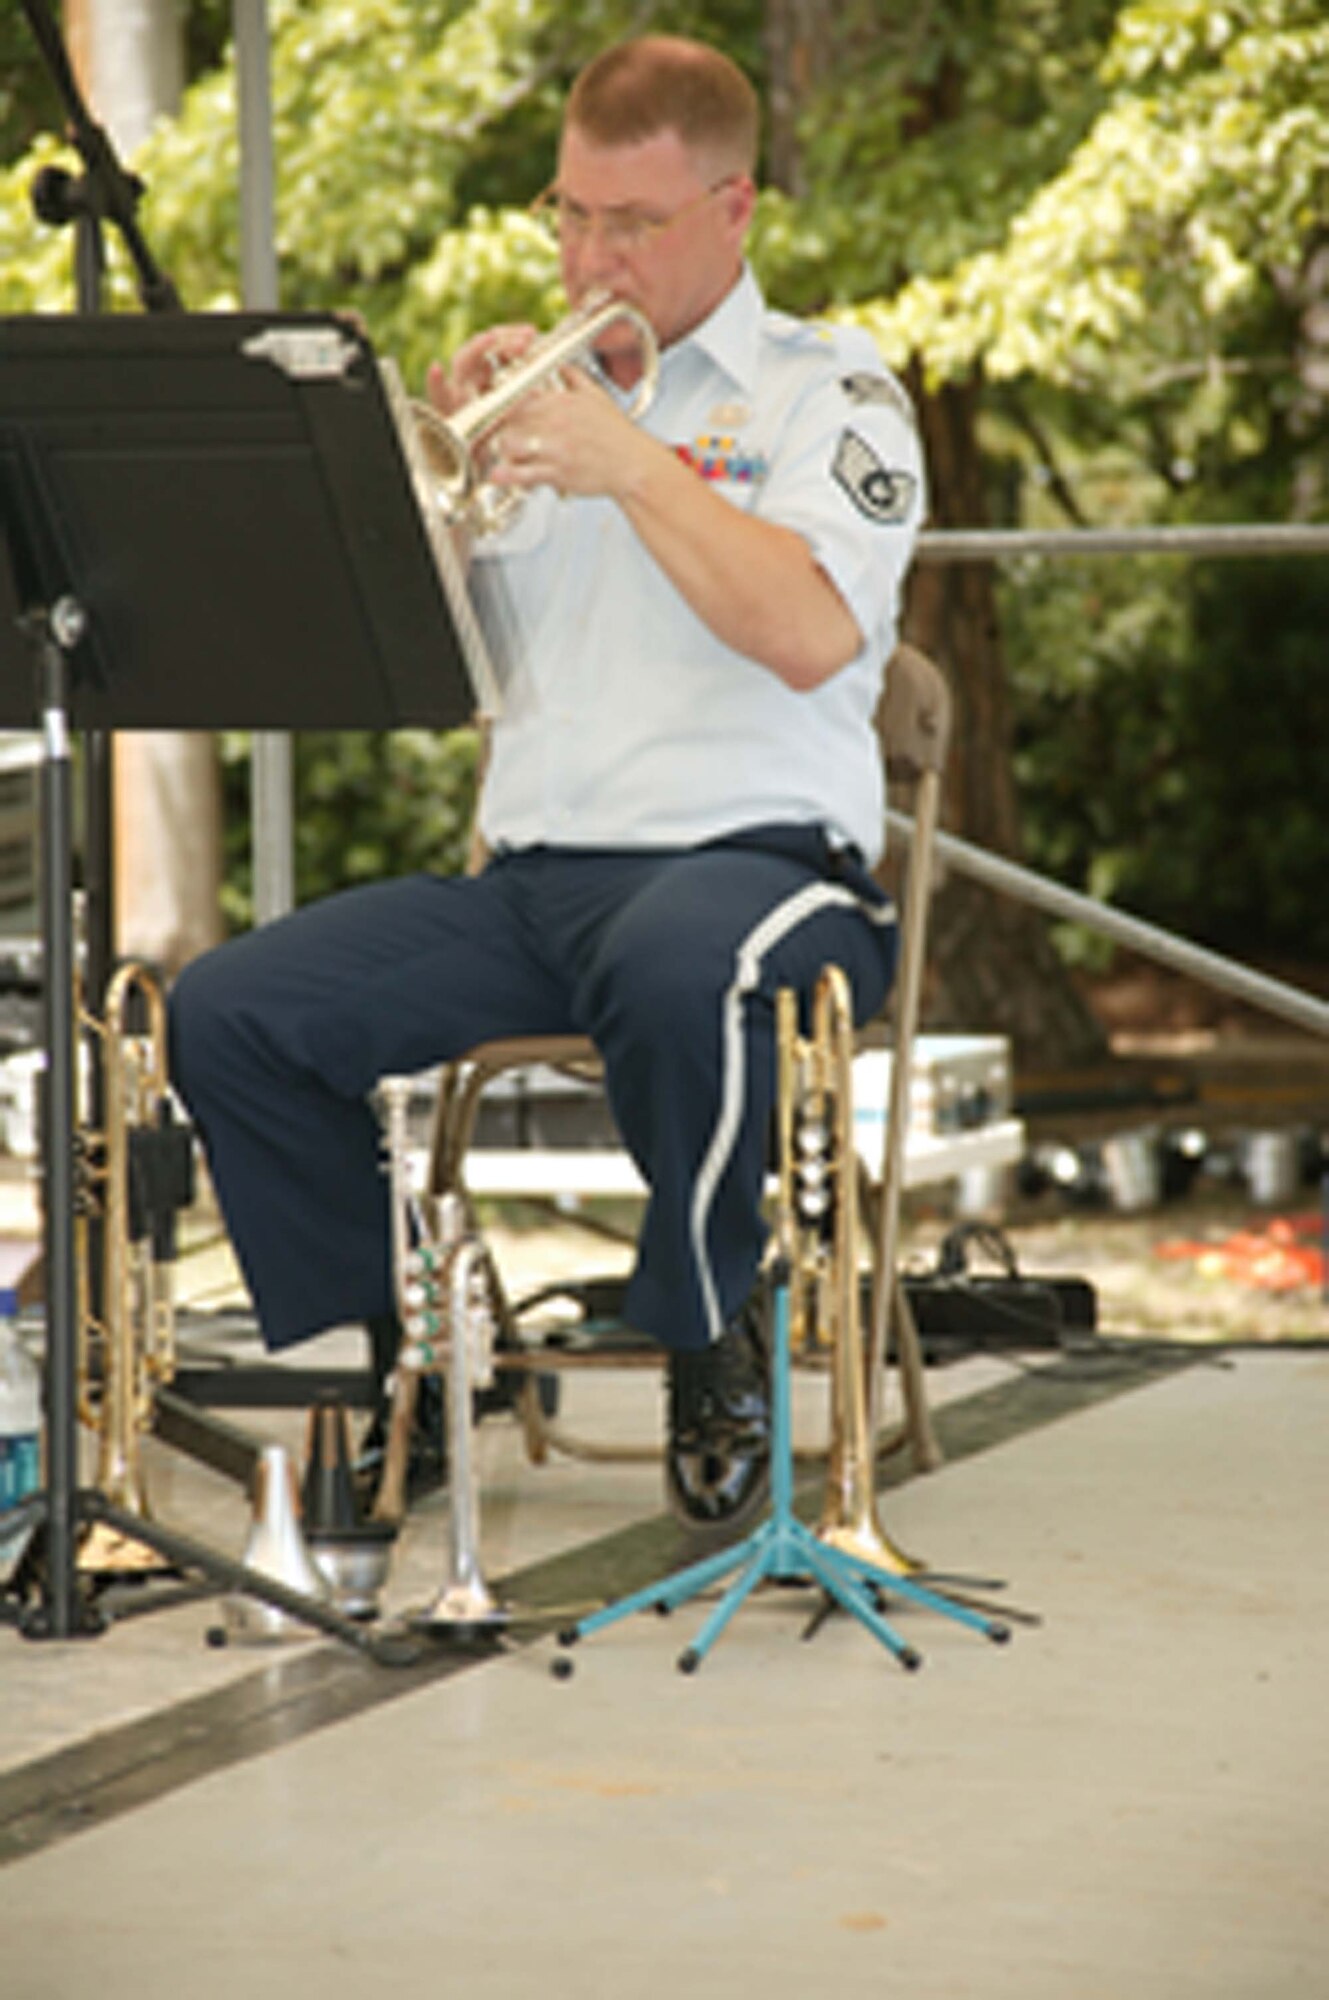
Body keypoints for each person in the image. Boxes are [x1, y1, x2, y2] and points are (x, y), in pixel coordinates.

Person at [168, 33, 925, 1528]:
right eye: (569, 215)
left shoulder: (824, 392)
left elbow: (805, 632)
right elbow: (416, 672)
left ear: (733, 209)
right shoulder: (544, 408)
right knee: (233, 1010)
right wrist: (439, 503)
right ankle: (395, 1372)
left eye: (630, 223)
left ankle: (711, 1328)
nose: (590, 258)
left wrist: (633, 464)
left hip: (765, 872)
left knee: (678, 966)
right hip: (533, 887)